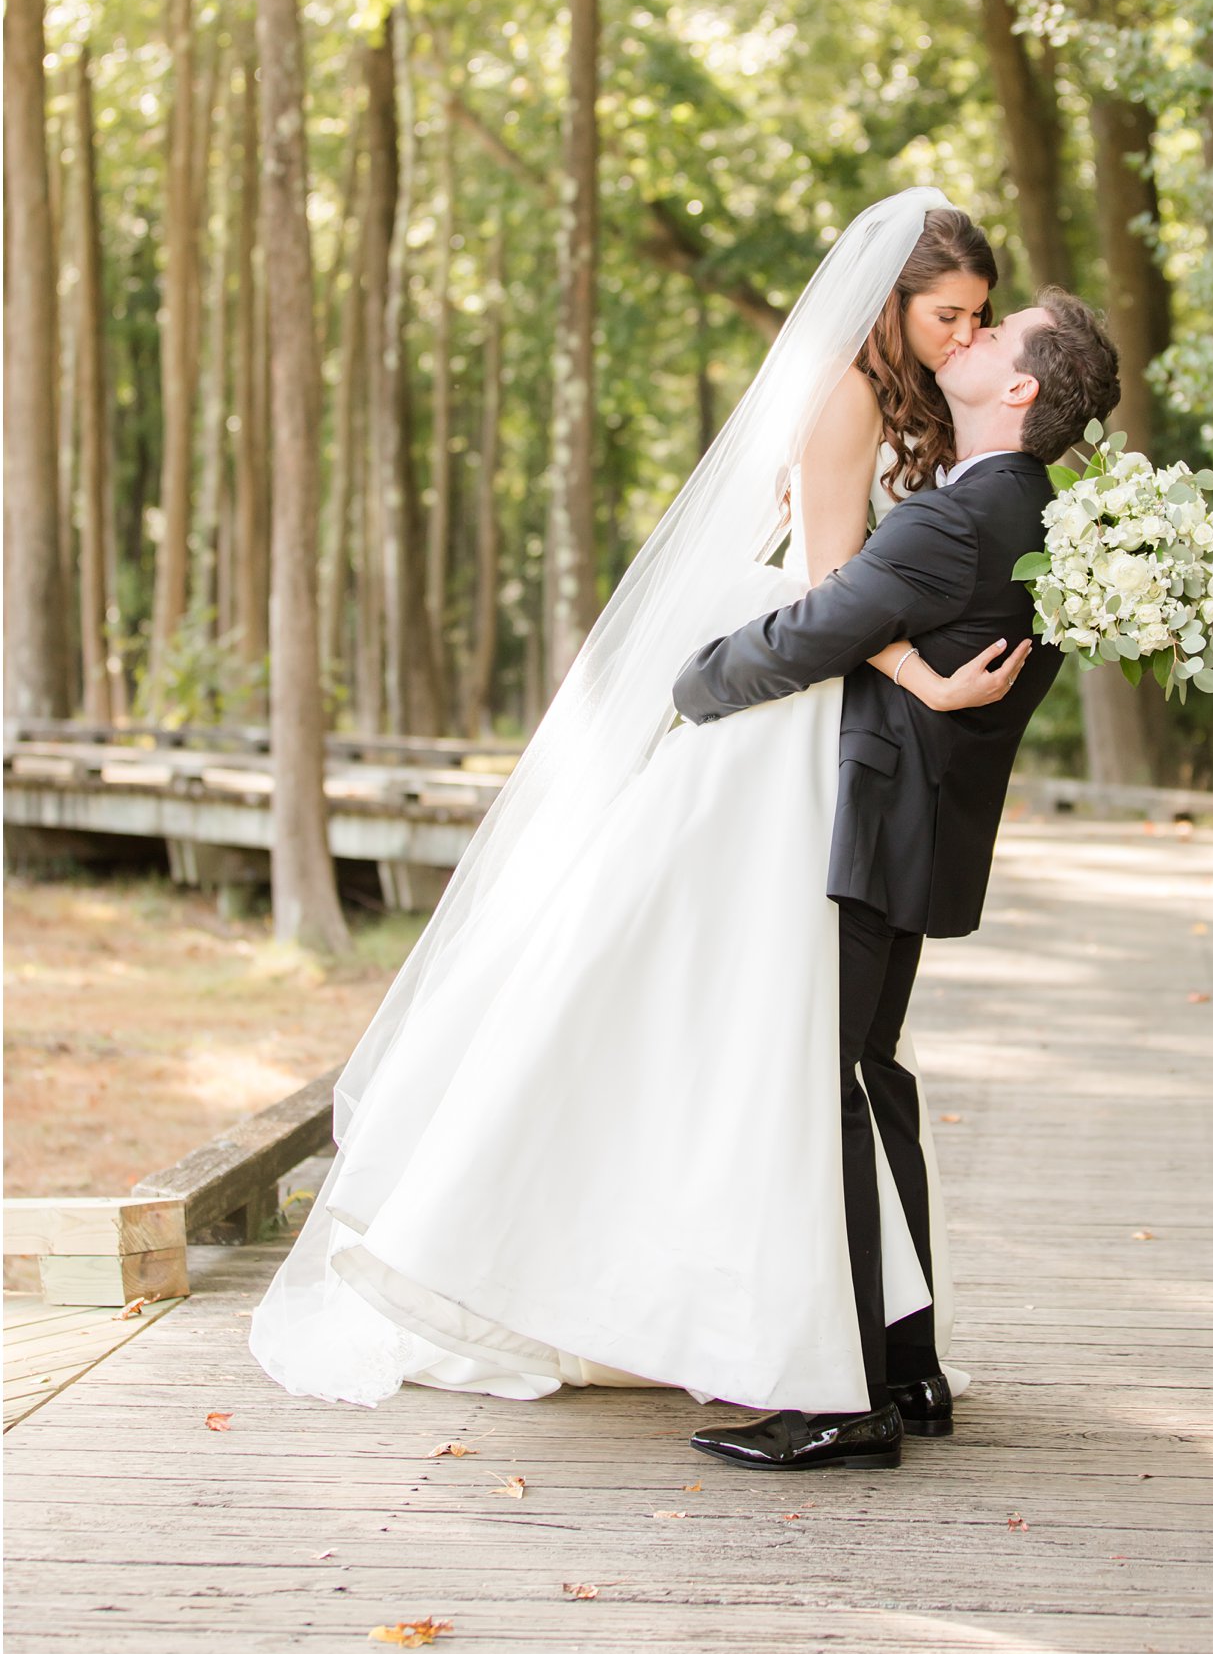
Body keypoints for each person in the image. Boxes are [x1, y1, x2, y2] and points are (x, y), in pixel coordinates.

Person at [249, 188, 1040, 1416]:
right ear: (890, 303)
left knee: (786, 1037)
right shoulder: (841, 392)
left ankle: (817, 1323)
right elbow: (833, 593)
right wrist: (920, 677)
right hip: (793, 710)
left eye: (979, 317)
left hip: (826, 722)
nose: (961, 334)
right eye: (947, 313)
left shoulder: (916, 406)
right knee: (741, 1015)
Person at [675, 287, 1122, 1472]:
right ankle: (910, 1366)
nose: (966, 339)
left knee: (825, 1092)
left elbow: (813, 630)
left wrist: (688, 681)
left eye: (995, 332)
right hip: (922, 825)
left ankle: (845, 1396)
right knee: (870, 1079)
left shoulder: (959, 522)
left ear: (1019, 389)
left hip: (865, 826)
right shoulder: (1038, 516)